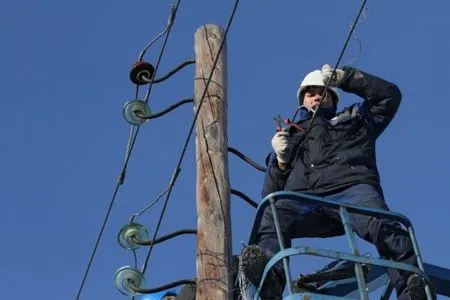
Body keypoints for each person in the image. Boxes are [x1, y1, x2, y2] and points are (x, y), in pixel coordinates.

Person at [238, 65, 435, 299]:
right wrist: (280, 161)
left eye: (324, 92)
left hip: (351, 190)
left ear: (333, 98)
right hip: (304, 200)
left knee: (382, 222)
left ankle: (411, 286)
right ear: (303, 100)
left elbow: (389, 96)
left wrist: (347, 78)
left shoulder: (355, 119)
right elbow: (270, 193)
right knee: (274, 214)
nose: (317, 96)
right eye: (311, 93)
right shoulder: (288, 139)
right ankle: (269, 282)